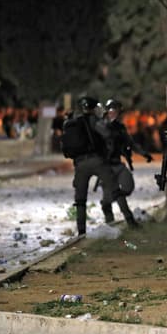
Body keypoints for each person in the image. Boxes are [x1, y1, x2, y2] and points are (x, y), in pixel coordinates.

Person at [63, 97, 120, 236]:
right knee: (114, 189)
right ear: (93, 108)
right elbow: (107, 134)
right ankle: (128, 221)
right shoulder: (93, 120)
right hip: (96, 160)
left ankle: (81, 232)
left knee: (80, 200)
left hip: (80, 164)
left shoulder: (72, 123)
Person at [101, 98, 153, 228]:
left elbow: (130, 143)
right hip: (105, 167)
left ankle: (111, 204)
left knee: (127, 187)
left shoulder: (119, 127)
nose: (113, 113)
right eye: (111, 110)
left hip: (117, 164)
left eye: (116, 111)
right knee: (112, 195)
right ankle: (121, 221)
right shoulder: (100, 126)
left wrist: (143, 153)